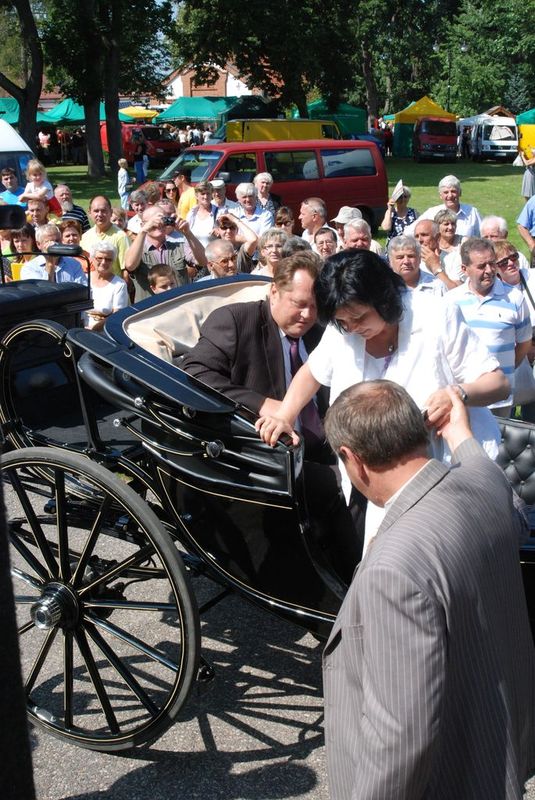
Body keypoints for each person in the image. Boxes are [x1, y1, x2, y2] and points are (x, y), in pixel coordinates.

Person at [321, 379, 535, 800]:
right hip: (497, 756)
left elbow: (401, 734)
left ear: (353, 460)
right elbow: (478, 464)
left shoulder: (392, 570)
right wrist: (459, 432)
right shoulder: (487, 484)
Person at [256, 249, 508, 500]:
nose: (352, 328)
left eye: (359, 317)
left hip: (445, 472)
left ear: (384, 300)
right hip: (372, 479)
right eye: (342, 322)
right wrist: (285, 415)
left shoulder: (436, 315)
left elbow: (498, 383)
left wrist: (457, 394)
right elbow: (312, 372)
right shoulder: (343, 328)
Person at [446, 237, 532, 417]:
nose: (489, 270)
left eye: (492, 264)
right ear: (464, 269)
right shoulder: (451, 300)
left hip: (500, 398)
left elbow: (524, 343)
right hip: (464, 396)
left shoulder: (514, 298)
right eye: (481, 266)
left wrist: (503, 371)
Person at [124, 205, 205, 302]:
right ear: (142, 225)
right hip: (150, 308)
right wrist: (142, 232)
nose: (158, 224)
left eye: (162, 220)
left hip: (179, 305)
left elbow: (203, 261)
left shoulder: (179, 247)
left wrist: (188, 233)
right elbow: (130, 265)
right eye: (153, 221)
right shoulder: (138, 250)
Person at [406, 174, 482, 238]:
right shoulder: (432, 213)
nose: (450, 195)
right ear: (440, 195)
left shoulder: (472, 212)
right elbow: (408, 232)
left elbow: (483, 236)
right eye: (446, 192)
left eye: (453, 191)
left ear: (460, 193)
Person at [83, 242, 129, 331]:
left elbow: (117, 315)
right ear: (92, 259)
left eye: (108, 259)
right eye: (99, 258)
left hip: (103, 331)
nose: (104, 262)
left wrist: (93, 329)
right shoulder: (83, 279)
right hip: (78, 329)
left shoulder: (119, 284)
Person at [20, 223, 87, 284]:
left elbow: (83, 289)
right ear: (38, 244)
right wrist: (50, 264)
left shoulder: (74, 264)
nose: (54, 244)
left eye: (57, 241)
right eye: (49, 242)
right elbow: (43, 291)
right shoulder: (30, 268)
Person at [81, 195, 130, 277]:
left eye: (103, 211)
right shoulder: (84, 237)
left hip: (113, 283)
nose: (100, 214)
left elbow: (125, 269)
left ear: (111, 212)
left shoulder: (121, 236)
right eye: (96, 211)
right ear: (89, 213)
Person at [414, 219, 460, 289]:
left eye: (424, 235)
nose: (419, 240)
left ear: (438, 237)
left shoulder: (454, 258)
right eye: (416, 236)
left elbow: (456, 291)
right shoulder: (411, 261)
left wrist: (436, 267)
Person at [186, 181, 218, 247]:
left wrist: (219, 231)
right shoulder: (192, 213)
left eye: (208, 193)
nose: (205, 197)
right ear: (196, 196)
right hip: (193, 251)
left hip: (211, 251)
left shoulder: (219, 212)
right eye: (202, 194)